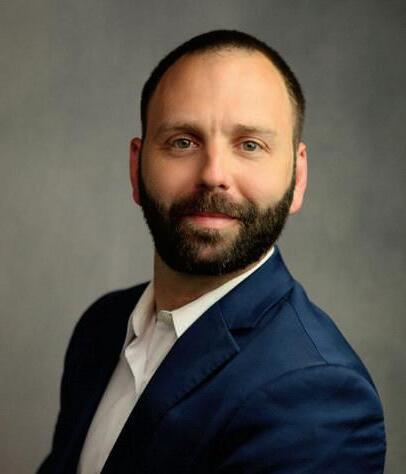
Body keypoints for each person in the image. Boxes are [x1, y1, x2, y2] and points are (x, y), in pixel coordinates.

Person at [38, 30, 386, 473]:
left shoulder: (321, 400)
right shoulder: (101, 328)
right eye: (183, 141)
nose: (213, 174)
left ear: (297, 178)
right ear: (136, 169)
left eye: (250, 145)